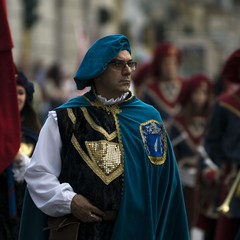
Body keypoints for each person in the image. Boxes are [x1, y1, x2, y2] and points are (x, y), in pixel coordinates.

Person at [22, 34, 190, 240]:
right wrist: (70, 201)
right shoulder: (65, 118)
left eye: (131, 63)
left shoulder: (148, 119)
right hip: (83, 232)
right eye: (118, 64)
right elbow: (39, 173)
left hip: (138, 231)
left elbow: (167, 185)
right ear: (98, 70)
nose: (128, 71)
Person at [168, 74, 214, 233]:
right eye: (196, 93)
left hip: (208, 184)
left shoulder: (212, 120)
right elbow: (171, 153)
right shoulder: (177, 123)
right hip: (184, 182)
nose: (200, 97)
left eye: (204, 93)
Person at [203, 49, 240, 240]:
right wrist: (225, 166)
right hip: (233, 179)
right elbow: (211, 142)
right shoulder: (224, 104)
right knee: (228, 229)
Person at [0, 70, 40, 239]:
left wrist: (20, 159)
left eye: (20, 92)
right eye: (12, 92)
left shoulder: (35, 132)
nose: (16, 97)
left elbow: (43, 171)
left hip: (25, 206)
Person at [138, 42, 185, 128]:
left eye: (174, 63)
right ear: (159, 65)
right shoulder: (149, 90)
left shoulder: (185, 87)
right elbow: (142, 118)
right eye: (166, 63)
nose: (171, 67)